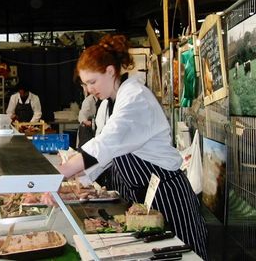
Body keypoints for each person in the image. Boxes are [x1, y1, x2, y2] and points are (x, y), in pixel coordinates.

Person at [57, 34, 208, 260]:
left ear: (110, 71)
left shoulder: (135, 98)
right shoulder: (109, 103)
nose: (88, 90)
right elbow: (106, 154)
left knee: (185, 254)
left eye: (92, 82)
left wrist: (57, 175)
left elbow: (106, 144)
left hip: (167, 196)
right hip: (142, 199)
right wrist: (79, 181)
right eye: (85, 84)